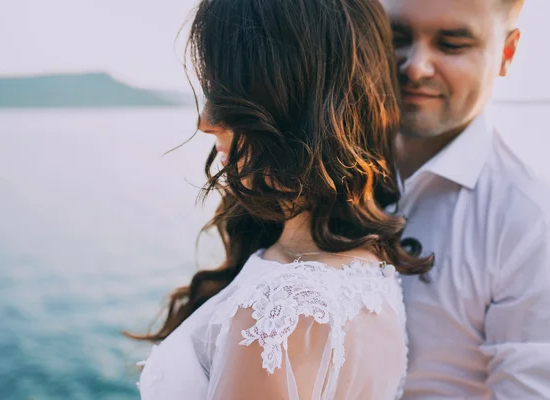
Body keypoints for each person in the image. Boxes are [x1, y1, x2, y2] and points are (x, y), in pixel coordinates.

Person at [133, 0, 433, 398]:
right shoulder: (372, 268)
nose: (205, 121)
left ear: (294, 102)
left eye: (226, 94)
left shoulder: (277, 314)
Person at [380, 0, 550, 398]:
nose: (415, 67)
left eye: (452, 45)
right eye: (397, 38)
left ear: (506, 53)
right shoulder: (314, 170)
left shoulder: (530, 221)